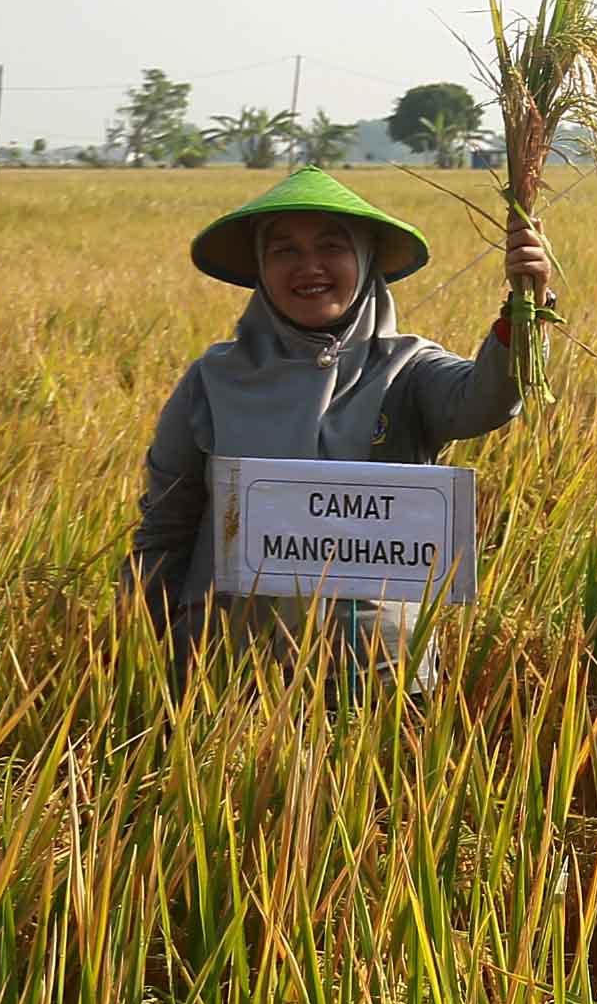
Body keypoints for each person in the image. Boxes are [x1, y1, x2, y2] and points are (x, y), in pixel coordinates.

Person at [128, 168, 554, 691]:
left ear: (365, 259)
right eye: (284, 251)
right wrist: (138, 651)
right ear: (261, 268)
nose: (310, 267)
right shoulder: (213, 381)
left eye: (332, 247)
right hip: (230, 668)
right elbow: (164, 528)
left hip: (379, 669)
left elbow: (483, 402)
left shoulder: (408, 368)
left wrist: (525, 312)